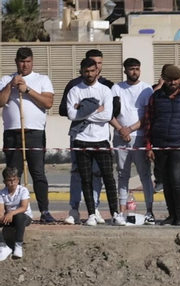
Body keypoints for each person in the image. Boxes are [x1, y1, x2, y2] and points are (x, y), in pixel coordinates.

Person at [0, 47, 55, 223]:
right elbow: (0, 101)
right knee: (12, 174)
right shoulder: (6, 79)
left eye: (28, 61)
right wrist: (11, 86)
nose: (25, 65)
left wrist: (27, 89)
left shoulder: (42, 79)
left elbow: (48, 102)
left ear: (32, 62)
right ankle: (13, 212)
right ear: (16, 62)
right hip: (12, 133)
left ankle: (44, 211)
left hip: (34, 133)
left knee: (38, 172)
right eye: (22, 61)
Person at [64, 56, 118, 226]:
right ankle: (91, 214)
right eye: (86, 71)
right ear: (81, 72)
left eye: (92, 71)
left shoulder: (105, 90)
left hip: (101, 140)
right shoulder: (75, 90)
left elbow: (107, 116)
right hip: (81, 140)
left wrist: (83, 111)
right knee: (85, 179)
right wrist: (96, 109)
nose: (89, 74)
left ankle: (116, 213)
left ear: (97, 71)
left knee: (108, 178)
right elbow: (71, 115)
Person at [146, 64, 180, 225]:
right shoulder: (156, 96)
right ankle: (171, 214)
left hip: (179, 144)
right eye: (170, 79)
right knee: (166, 181)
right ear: (163, 79)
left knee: (176, 178)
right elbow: (149, 120)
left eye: (176, 79)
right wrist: (148, 145)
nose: (173, 83)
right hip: (160, 144)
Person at [112, 57, 154, 225]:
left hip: (140, 136)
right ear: (125, 70)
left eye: (137, 68)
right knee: (122, 174)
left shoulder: (146, 89)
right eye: (131, 69)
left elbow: (148, 115)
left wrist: (130, 129)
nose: (134, 72)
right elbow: (110, 113)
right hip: (120, 137)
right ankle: (121, 212)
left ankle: (149, 211)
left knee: (145, 175)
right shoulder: (116, 88)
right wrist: (121, 129)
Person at [0, 166, 29, 260]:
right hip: (10, 218)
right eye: (9, 180)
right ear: (5, 181)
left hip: (23, 217)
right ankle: (3, 246)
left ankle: (18, 245)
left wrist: (11, 213)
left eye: (14, 180)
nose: (12, 182)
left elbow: (24, 207)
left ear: (18, 180)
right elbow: (1, 209)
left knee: (20, 216)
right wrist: (1, 216)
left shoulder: (23, 190)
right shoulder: (2, 193)